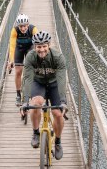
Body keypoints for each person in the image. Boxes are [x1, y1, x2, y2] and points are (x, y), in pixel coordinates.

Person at [22, 31, 67, 160]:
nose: (41, 49)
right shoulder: (30, 57)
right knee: (35, 104)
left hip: (54, 84)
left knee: (58, 113)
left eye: (44, 46)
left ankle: (58, 142)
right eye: (38, 47)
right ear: (34, 47)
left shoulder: (58, 57)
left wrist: (63, 100)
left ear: (49, 45)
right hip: (38, 83)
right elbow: (28, 79)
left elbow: (62, 78)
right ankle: (36, 132)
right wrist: (25, 101)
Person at [7, 14, 38, 106]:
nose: (23, 28)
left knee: (31, 70)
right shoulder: (15, 30)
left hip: (30, 48)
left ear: (28, 25)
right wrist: (11, 60)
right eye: (21, 26)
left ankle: (31, 91)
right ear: (18, 26)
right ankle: (18, 95)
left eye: (24, 26)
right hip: (19, 49)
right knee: (18, 71)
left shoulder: (33, 29)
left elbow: (38, 43)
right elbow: (12, 46)